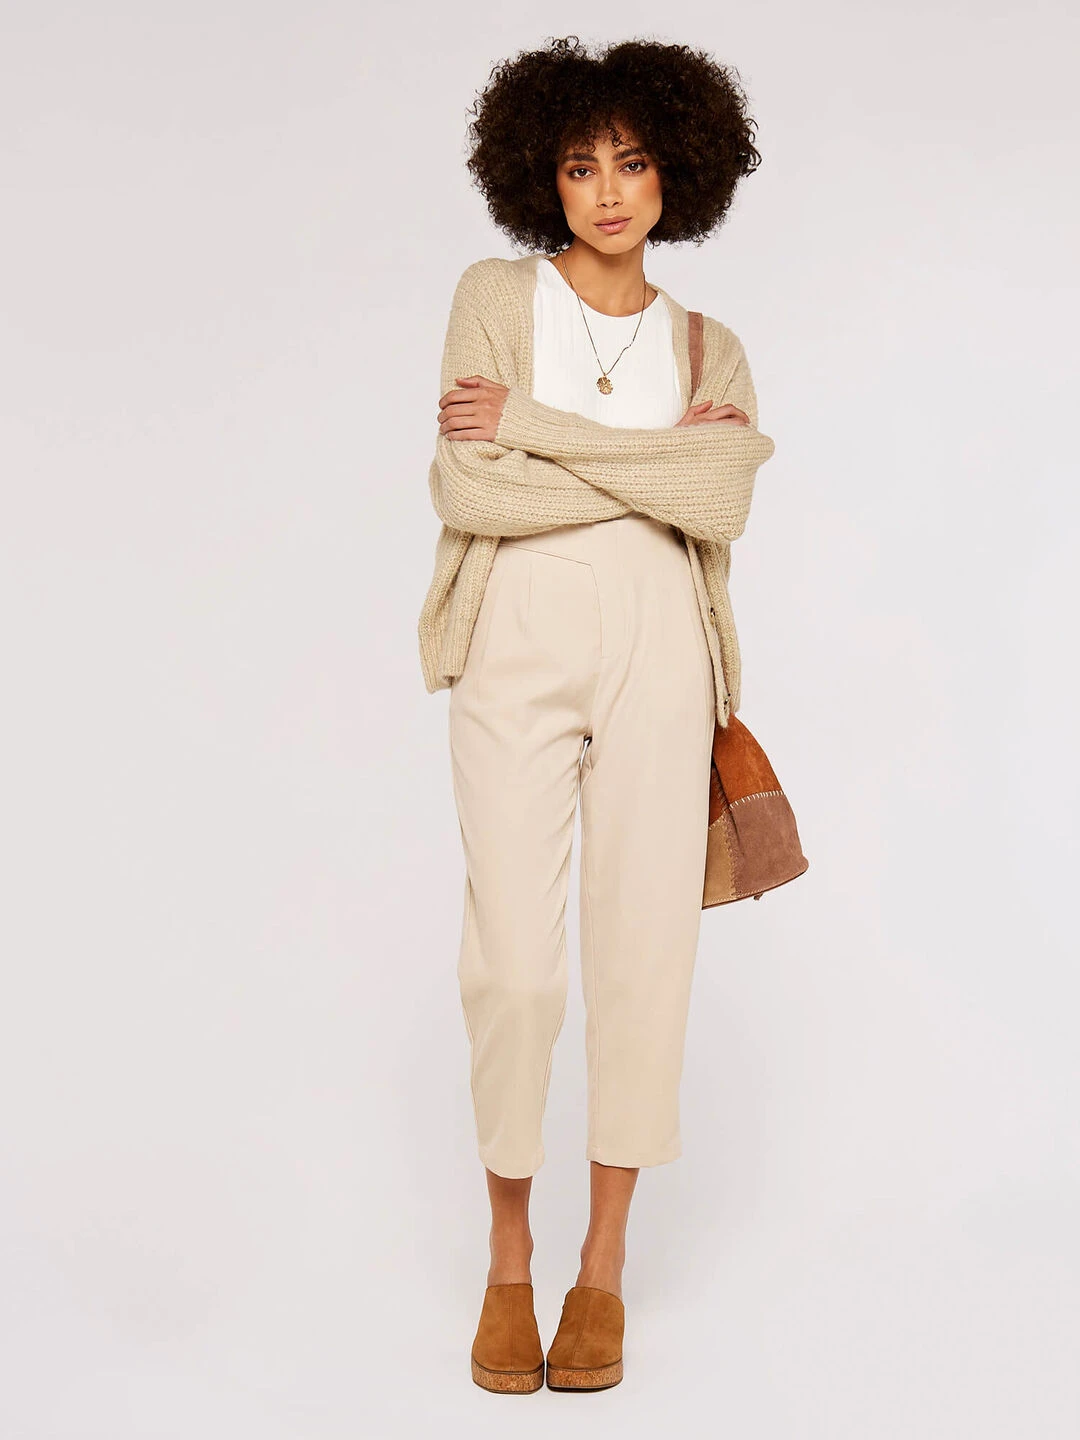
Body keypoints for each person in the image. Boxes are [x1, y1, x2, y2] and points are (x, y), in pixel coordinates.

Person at [417, 35, 776, 1393]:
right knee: (514, 965)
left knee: (641, 955)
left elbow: (721, 502)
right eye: (581, 165)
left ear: (677, 170)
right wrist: (657, 468)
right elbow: (468, 492)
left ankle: (602, 1264)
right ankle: (508, 1256)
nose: (609, 190)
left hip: (661, 653)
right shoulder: (495, 298)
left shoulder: (709, 344)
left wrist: (540, 428)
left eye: (632, 161)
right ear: (542, 177)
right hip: (513, 640)